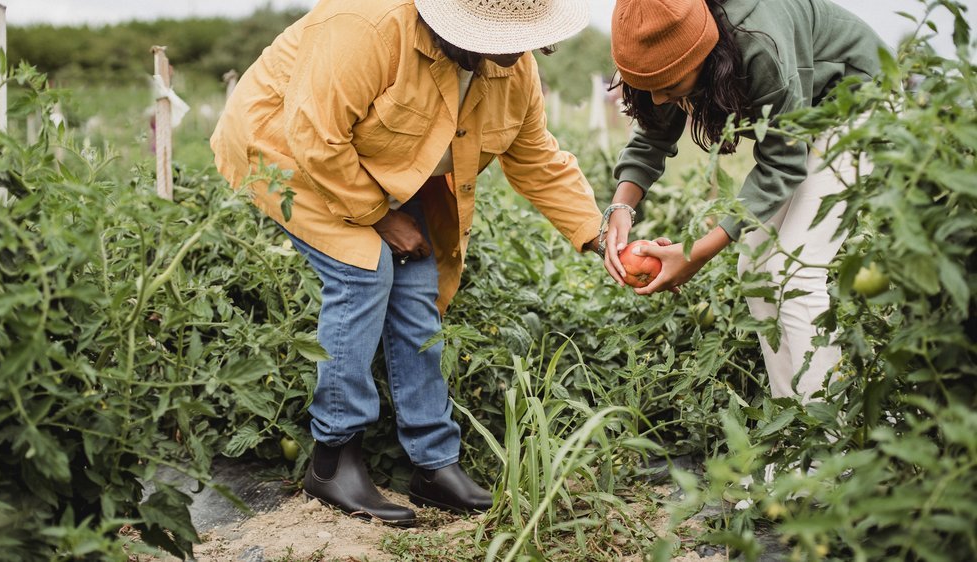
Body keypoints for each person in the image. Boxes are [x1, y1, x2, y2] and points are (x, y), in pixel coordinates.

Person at [210, 0, 604, 527]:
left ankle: (434, 464)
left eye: (523, 35)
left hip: (377, 163)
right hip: (286, 150)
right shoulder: (366, 27)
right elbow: (316, 137)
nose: (514, 50)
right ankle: (333, 458)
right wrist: (381, 217)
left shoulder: (514, 65)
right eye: (499, 35)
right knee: (363, 269)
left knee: (418, 284)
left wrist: (601, 238)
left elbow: (536, 158)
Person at [600, 0, 885, 401]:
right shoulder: (671, 37)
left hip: (860, 102)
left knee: (796, 271)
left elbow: (783, 161)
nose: (661, 100)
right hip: (807, 118)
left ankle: (827, 444)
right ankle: (792, 428)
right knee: (754, 265)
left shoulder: (756, 43)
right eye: (650, 88)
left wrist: (695, 253)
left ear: (706, 55)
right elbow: (654, 130)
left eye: (670, 87)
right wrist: (620, 208)